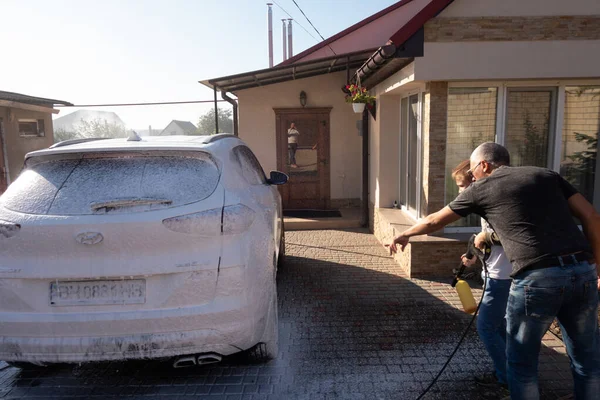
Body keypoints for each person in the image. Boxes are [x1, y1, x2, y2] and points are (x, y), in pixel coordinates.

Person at [388, 142, 600, 399]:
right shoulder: (546, 174)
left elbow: (434, 220)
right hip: (583, 271)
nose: (472, 177)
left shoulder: (483, 187)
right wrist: (597, 268)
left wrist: (405, 234)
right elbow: (591, 216)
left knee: (521, 366)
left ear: (484, 165)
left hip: (538, 277)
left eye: (474, 170)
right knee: (586, 360)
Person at [452, 160, 512, 389]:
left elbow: (506, 235)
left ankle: (506, 378)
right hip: (498, 275)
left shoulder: (494, 206)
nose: (460, 192)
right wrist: (476, 252)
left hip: (502, 278)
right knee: (501, 327)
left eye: (462, 185)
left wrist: (484, 239)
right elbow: (490, 237)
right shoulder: (486, 207)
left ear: (475, 181)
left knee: (486, 327)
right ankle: (509, 371)